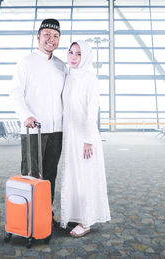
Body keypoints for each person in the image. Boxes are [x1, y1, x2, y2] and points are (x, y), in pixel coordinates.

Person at [9, 18, 67, 227]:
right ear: (38, 37)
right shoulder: (26, 62)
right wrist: (26, 115)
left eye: (56, 36)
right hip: (33, 130)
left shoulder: (61, 66)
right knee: (31, 174)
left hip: (57, 130)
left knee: (50, 175)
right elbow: (16, 93)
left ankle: (44, 214)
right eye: (47, 35)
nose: (51, 39)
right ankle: (28, 217)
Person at [60, 40, 111, 237]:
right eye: (71, 52)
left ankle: (86, 221)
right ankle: (74, 215)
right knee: (73, 176)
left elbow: (92, 110)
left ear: (86, 57)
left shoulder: (90, 78)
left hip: (85, 137)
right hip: (70, 136)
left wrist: (89, 139)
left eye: (78, 54)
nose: (73, 57)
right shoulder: (70, 77)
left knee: (85, 178)